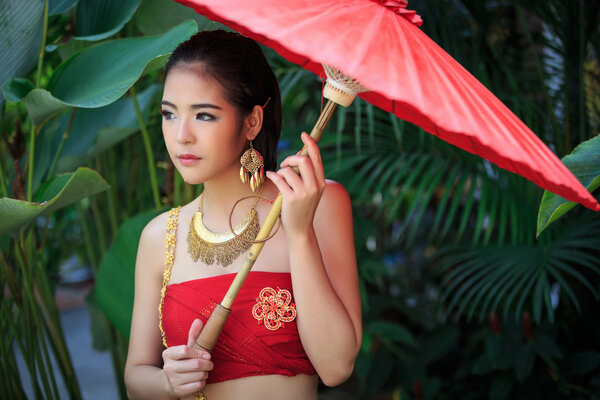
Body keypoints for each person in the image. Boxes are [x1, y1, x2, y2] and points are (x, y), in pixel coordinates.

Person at [124, 30, 361, 400]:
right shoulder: (158, 237)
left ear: (251, 122)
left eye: (203, 115)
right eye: (169, 114)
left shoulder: (318, 203)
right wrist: (167, 383)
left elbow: (336, 367)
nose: (181, 135)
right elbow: (136, 377)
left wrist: (299, 235)